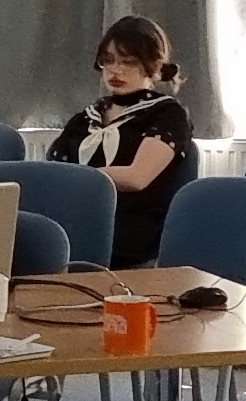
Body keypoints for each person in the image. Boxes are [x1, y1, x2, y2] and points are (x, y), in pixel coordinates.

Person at [47, 14, 201, 265]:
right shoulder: (86, 117)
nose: (116, 70)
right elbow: (52, 173)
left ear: (153, 65)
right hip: (76, 225)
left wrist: (77, 178)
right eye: (108, 61)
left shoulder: (167, 113)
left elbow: (136, 177)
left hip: (132, 234)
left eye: (129, 62)